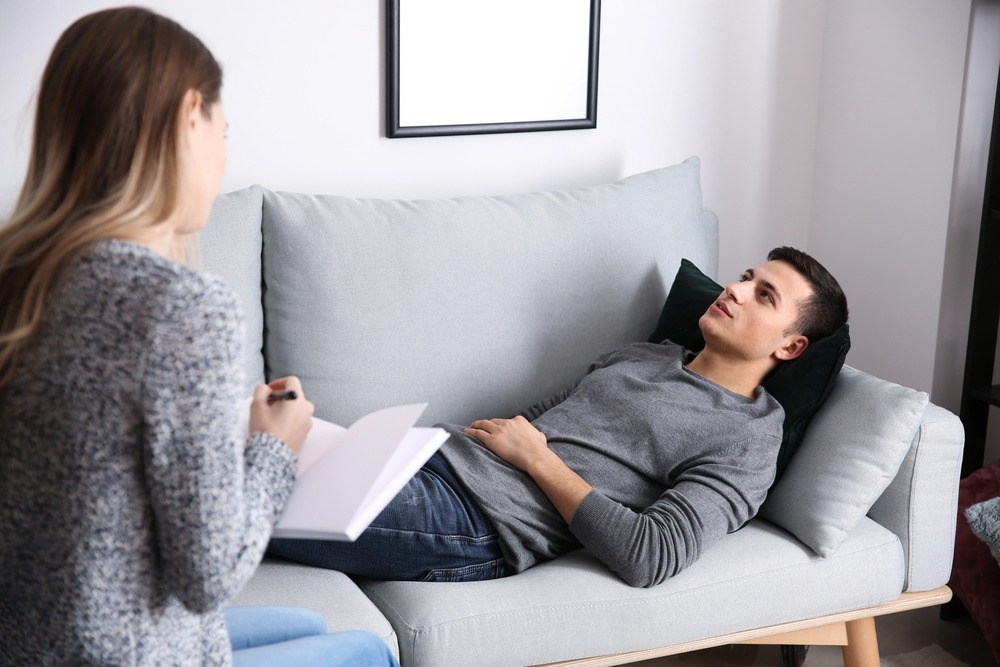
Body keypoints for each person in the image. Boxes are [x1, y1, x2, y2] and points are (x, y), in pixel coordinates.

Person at [0, 8, 398, 666]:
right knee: (368, 648)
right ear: (191, 116)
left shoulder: (19, 278)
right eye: (224, 131)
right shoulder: (181, 307)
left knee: (304, 618)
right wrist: (274, 447)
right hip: (127, 652)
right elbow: (209, 575)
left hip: (31, 642)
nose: (223, 156)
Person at [269, 246, 849, 588]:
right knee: (253, 433)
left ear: (790, 348)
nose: (737, 289)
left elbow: (653, 554)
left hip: (480, 524)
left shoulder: (747, 439)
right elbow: (538, 419)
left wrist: (538, 459)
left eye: (764, 296)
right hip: (435, 459)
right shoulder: (646, 355)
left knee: (245, 494)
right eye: (748, 277)